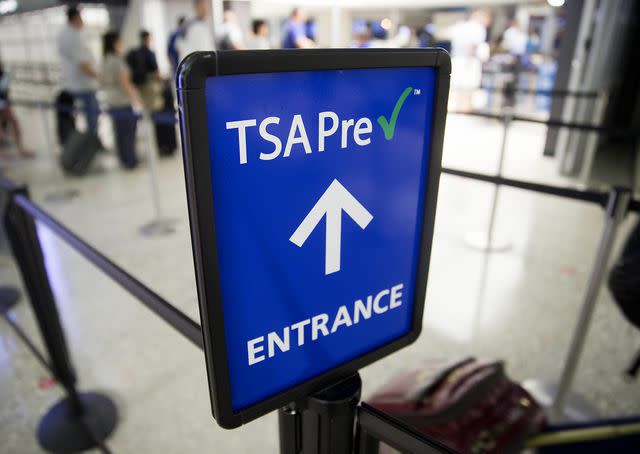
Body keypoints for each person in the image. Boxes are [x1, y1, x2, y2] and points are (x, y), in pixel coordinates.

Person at [102, 31, 143, 170]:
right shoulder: (117, 60)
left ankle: (124, 160)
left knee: (119, 134)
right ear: (114, 43)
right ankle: (132, 162)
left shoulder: (105, 60)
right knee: (128, 134)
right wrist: (136, 98)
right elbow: (124, 83)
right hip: (123, 102)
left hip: (111, 101)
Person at [57, 6, 100, 136]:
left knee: (90, 114)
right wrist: (98, 76)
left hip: (79, 83)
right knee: (92, 114)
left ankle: (89, 140)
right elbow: (81, 63)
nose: (83, 21)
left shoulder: (72, 34)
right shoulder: (71, 36)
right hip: (82, 84)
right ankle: (91, 141)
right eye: (81, 17)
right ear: (75, 18)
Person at [448, 10, 491, 111]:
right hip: (468, 61)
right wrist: (469, 61)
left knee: (457, 89)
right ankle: (465, 111)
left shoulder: (461, 26)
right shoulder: (478, 28)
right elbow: (471, 45)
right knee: (468, 89)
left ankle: (458, 111)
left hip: (456, 59)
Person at [0, 62, 32, 158]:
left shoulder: (2, 73)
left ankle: (18, 149)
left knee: (12, 122)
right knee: (12, 122)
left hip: (3, 100)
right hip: (2, 101)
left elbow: (6, 89)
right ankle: (17, 149)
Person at [126, 30, 162, 112]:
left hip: (139, 83)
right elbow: (155, 69)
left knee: (143, 105)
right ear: (147, 38)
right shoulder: (149, 52)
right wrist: (161, 81)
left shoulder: (135, 52)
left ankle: (145, 122)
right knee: (153, 107)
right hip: (149, 83)